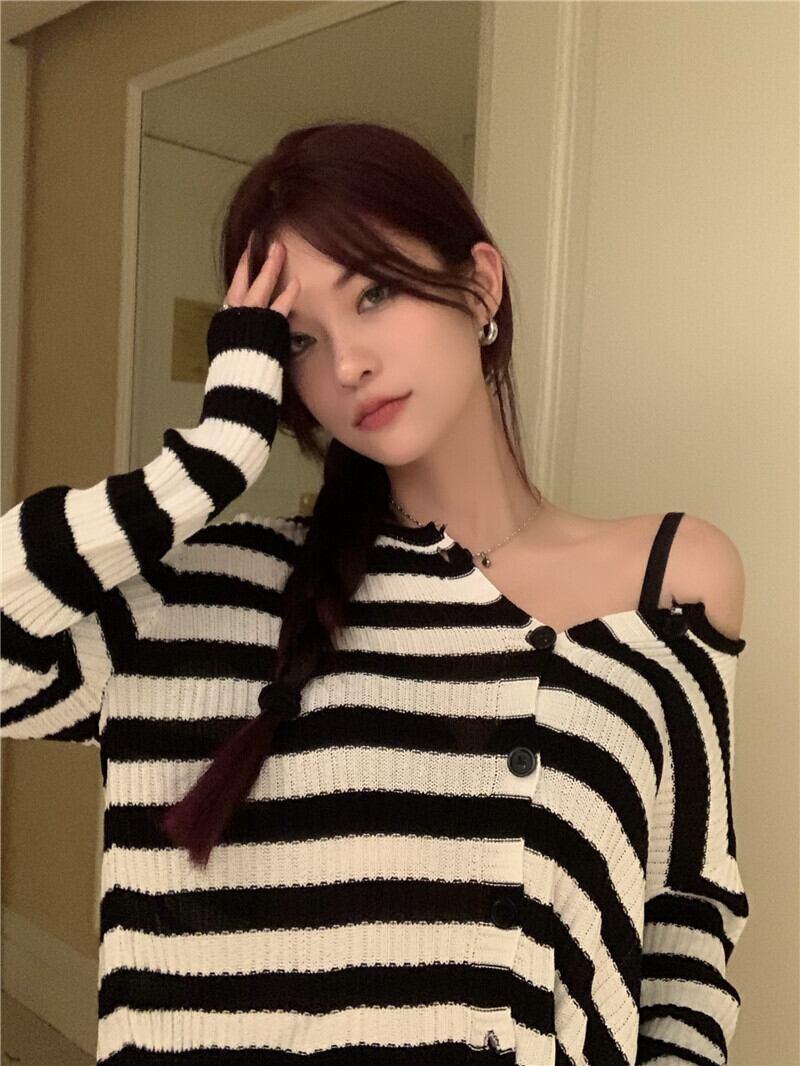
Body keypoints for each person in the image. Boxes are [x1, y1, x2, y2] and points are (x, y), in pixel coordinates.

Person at [1, 122, 748, 1065]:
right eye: (300, 340)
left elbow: (686, 920)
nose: (347, 363)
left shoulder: (672, 581)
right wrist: (210, 460)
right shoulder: (202, 590)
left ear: (480, 284)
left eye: (375, 293)